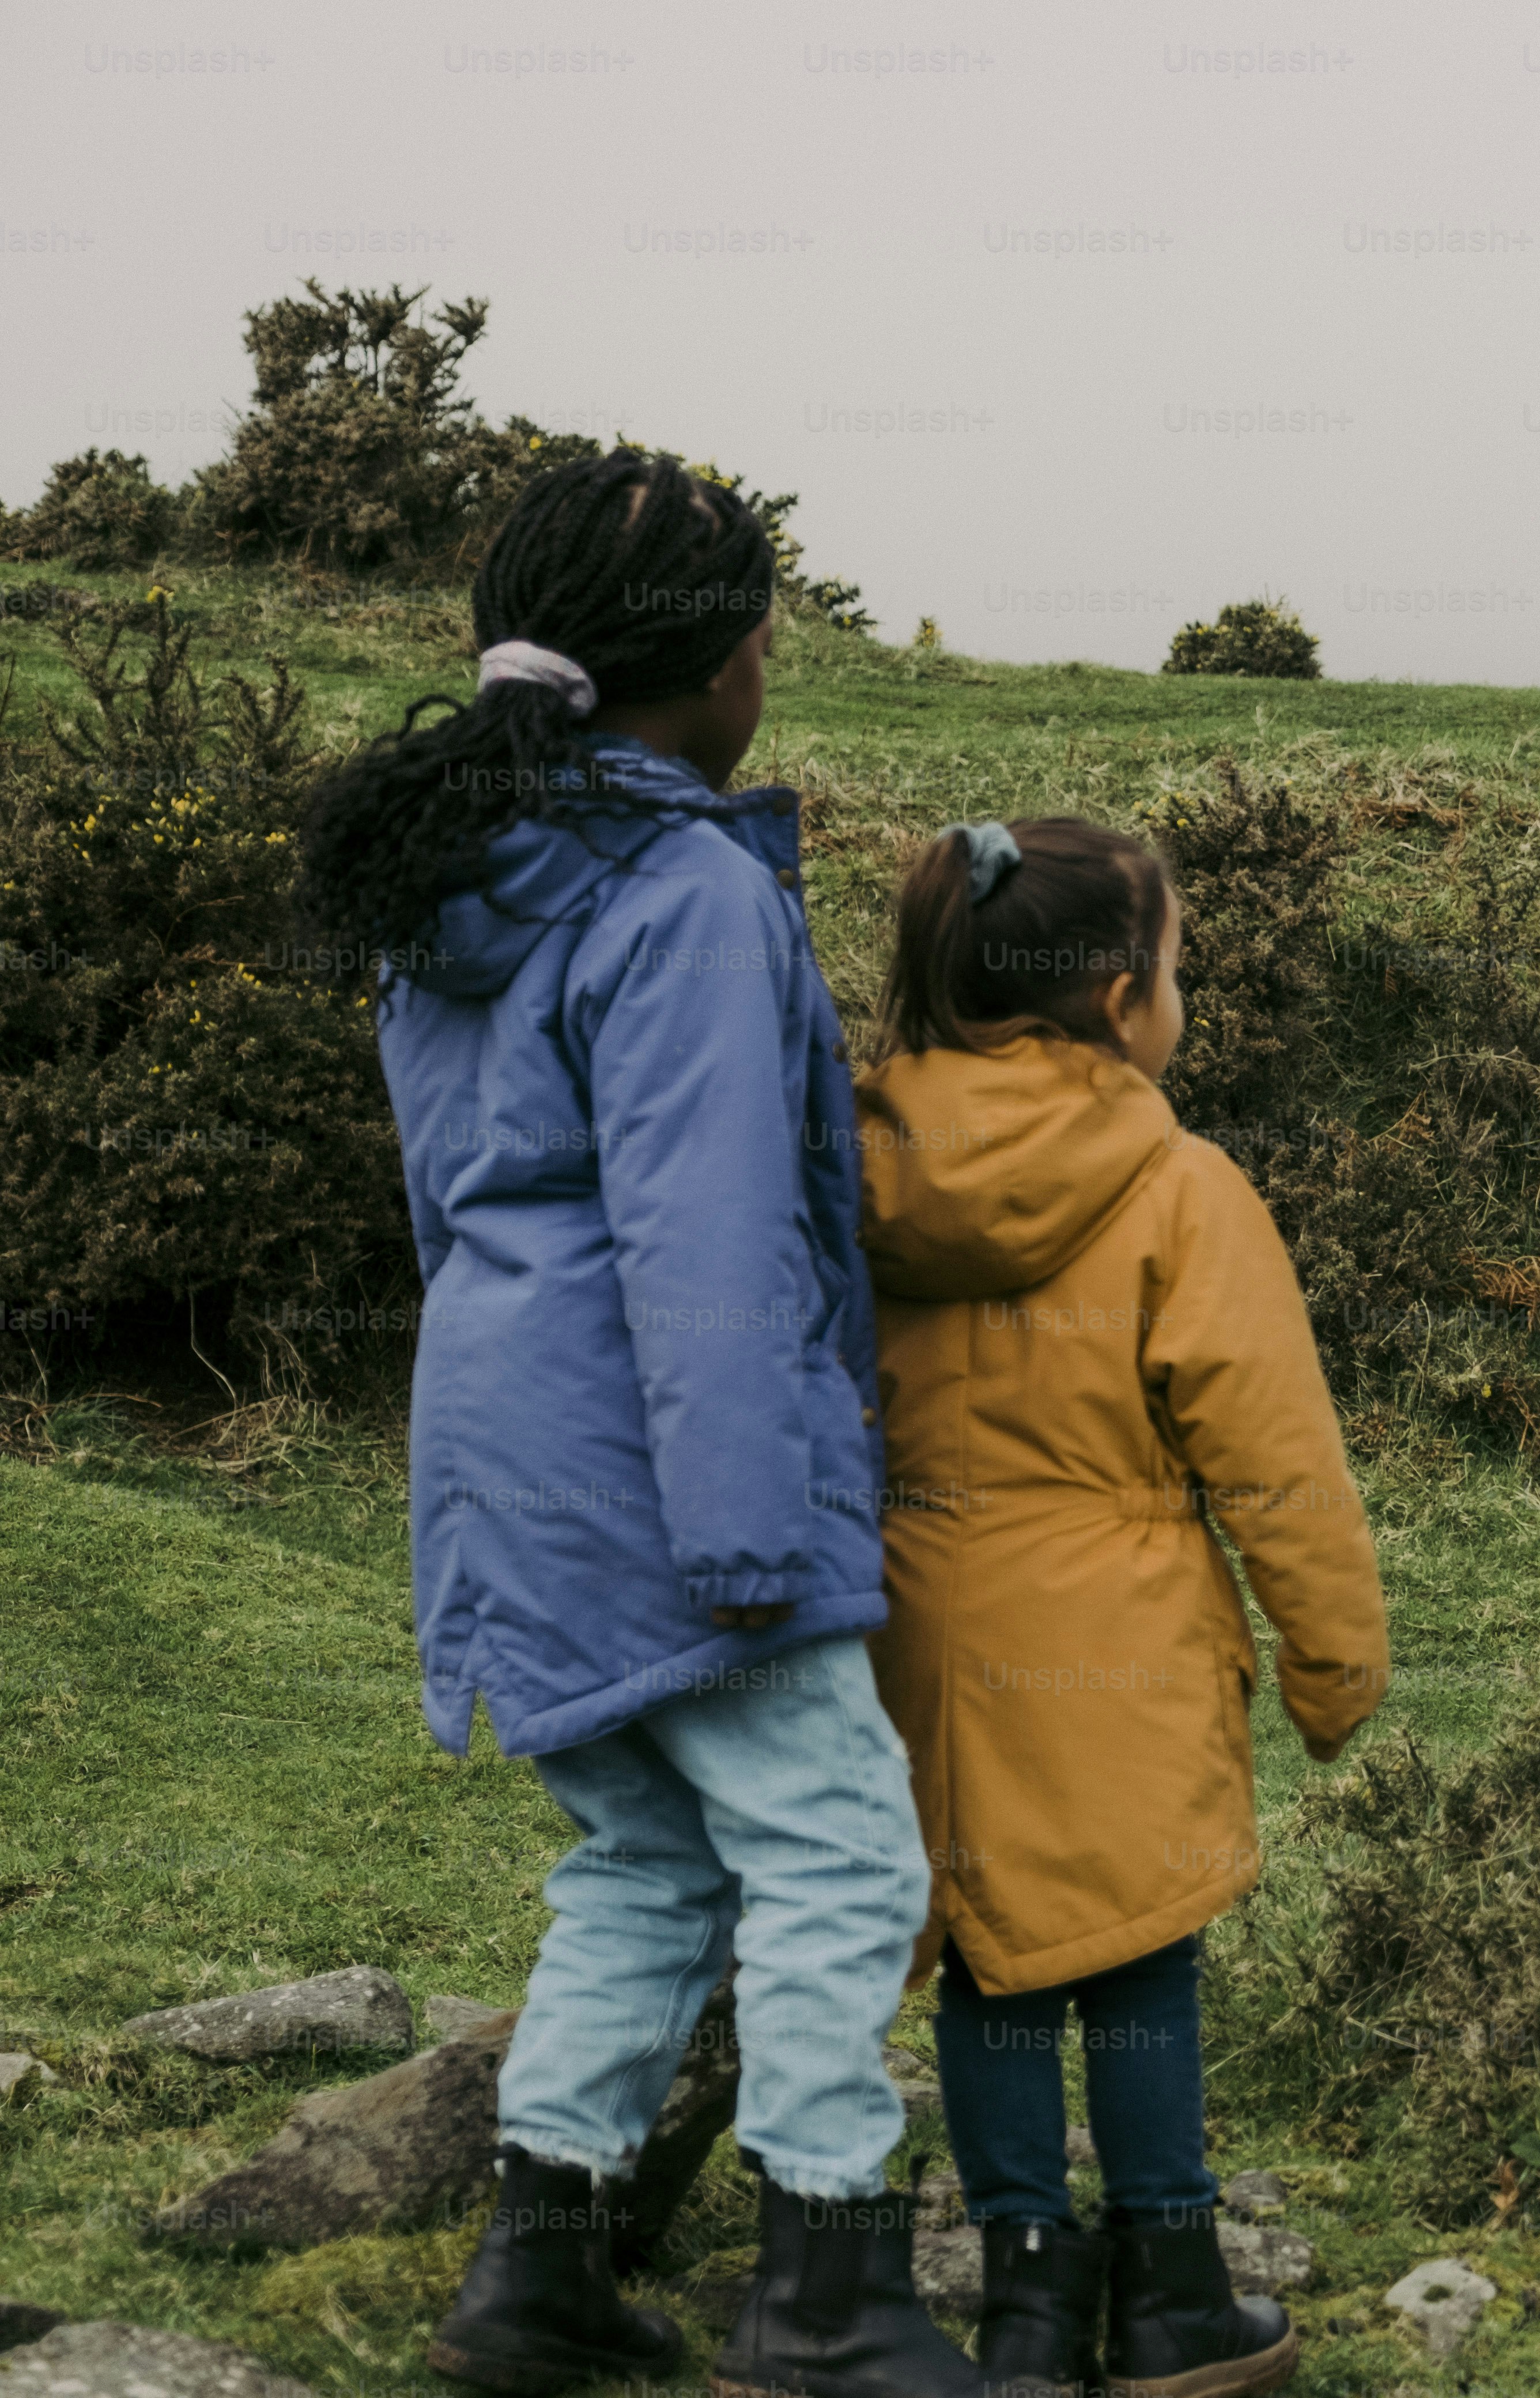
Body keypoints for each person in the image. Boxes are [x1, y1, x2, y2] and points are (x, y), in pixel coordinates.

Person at [301, 452, 977, 2398]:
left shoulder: (452, 879)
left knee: (650, 1859)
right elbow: (703, 1233)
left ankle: (540, 2280)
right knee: (845, 1849)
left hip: (501, 1426)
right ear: (715, 669)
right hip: (669, 1454)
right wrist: (755, 1534)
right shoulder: (681, 887)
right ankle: (831, 2291)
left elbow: (453, 1208)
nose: (777, 661)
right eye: (768, 634)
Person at [855, 817, 1388, 2398]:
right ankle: (1170, 2287)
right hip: (1124, 1635)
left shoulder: (856, 1155)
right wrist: (1332, 1660)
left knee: (989, 1955)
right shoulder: (1178, 1181)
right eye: (1175, 967)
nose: (1184, 996)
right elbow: (1273, 1453)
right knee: (1139, 1954)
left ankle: (1023, 2306)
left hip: (914, 1642)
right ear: (1110, 997)